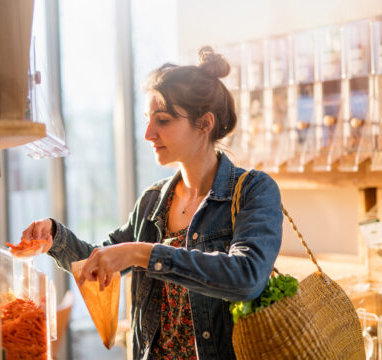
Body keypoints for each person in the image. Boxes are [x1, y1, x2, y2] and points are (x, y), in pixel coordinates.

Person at [22, 46, 283, 360]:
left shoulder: (254, 190)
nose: (148, 133)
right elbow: (99, 263)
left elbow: (246, 277)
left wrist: (140, 252)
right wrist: (55, 236)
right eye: (148, 119)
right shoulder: (152, 202)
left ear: (204, 123)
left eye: (163, 120)